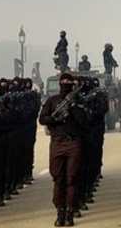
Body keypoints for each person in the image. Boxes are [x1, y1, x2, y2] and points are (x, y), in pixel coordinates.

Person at [39, 73, 88, 226]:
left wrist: (72, 108)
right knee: (58, 179)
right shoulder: (52, 101)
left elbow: (84, 121)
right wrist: (55, 118)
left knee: (72, 179)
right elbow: (42, 118)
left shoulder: (78, 100)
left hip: (73, 143)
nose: (66, 84)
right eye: (63, 81)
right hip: (57, 143)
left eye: (68, 81)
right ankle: (60, 211)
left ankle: (70, 212)